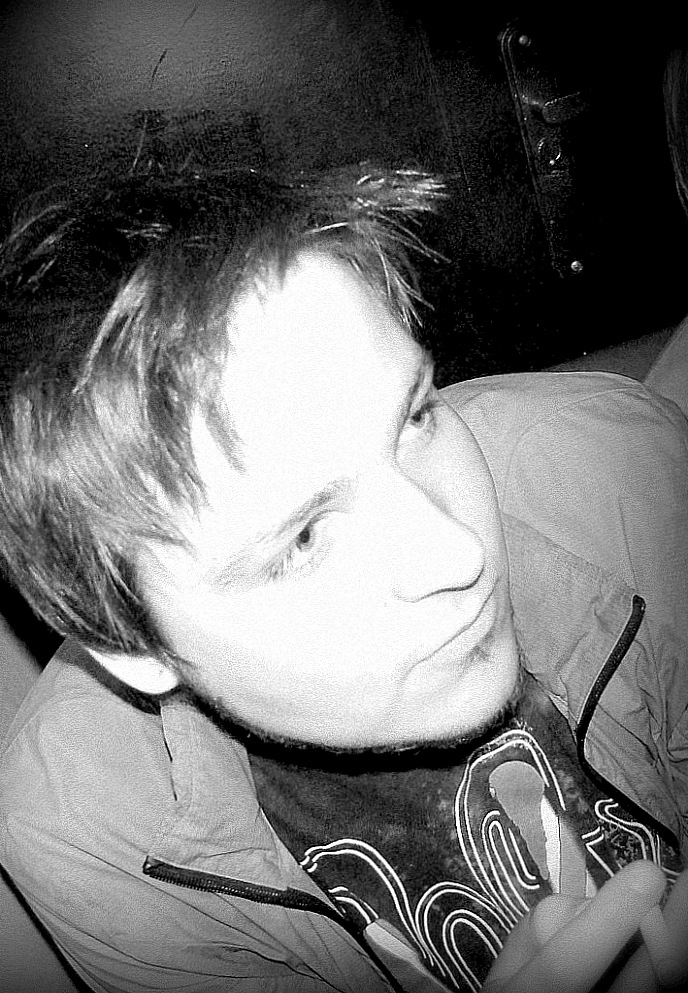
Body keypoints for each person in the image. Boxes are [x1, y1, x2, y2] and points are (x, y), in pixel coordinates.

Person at [0, 164, 687, 993]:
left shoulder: (619, 467)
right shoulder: (89, 833)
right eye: (304, 538)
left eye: (415, 417)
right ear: (131, 641)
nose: (457, 553)